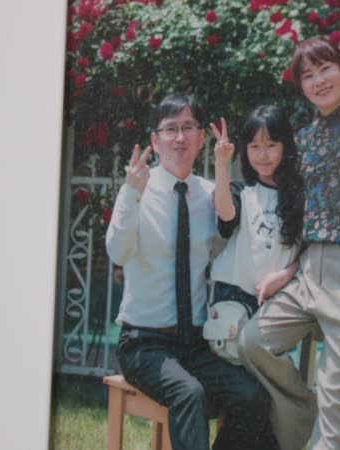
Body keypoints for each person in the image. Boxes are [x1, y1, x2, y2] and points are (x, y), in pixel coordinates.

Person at [238, 37, 340, 450]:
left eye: (325, 68)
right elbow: (308, 220)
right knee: (253, 342)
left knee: (338, 402)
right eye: (308, 75)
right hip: (309, 273)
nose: (318, 80)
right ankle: (303, 421)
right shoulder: (305, 139)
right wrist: (288, 272)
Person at [106, 94, 277, 450]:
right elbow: (117, 253)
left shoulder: (211, 194)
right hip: (144, 342)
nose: (180, 138)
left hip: (197, 342)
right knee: (189, 393)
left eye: (188, 128)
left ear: (201, 138)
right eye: (170, 129)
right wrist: (130, 195)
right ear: (155, 141)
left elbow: (233, 243)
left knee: (251, 396)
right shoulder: (137, 190)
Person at [206, 106, 313, 450]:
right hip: (233, 304)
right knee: (251, 399)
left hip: (275, 305)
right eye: (253, 146)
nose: (262, 155)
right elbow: (226, 216)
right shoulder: (242, 192)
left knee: (259, 398)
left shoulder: (301, 196)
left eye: (270, 145)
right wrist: (221, 165)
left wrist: (284, 276)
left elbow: (309, 254)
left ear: (285, 147)